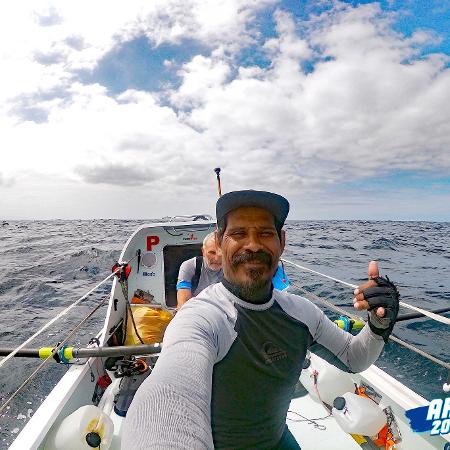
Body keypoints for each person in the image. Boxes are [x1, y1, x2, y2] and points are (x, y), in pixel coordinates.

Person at [122, 190, 400, 450]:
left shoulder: (302, 311)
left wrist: (379, 324)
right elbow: (167, 394)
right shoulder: (201, 316)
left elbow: (355, 357)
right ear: (219, 243)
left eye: (265, 233)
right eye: (239, 233)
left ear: (282, 241)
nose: (253, 244)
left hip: (277, 439)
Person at [176, 232, 223, 309]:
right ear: (203, 251)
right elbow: (182, 302)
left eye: (221, 254)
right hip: (195, 310)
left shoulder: (233, 269)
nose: (217, 259)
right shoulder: (189, 266)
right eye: (212, 253)